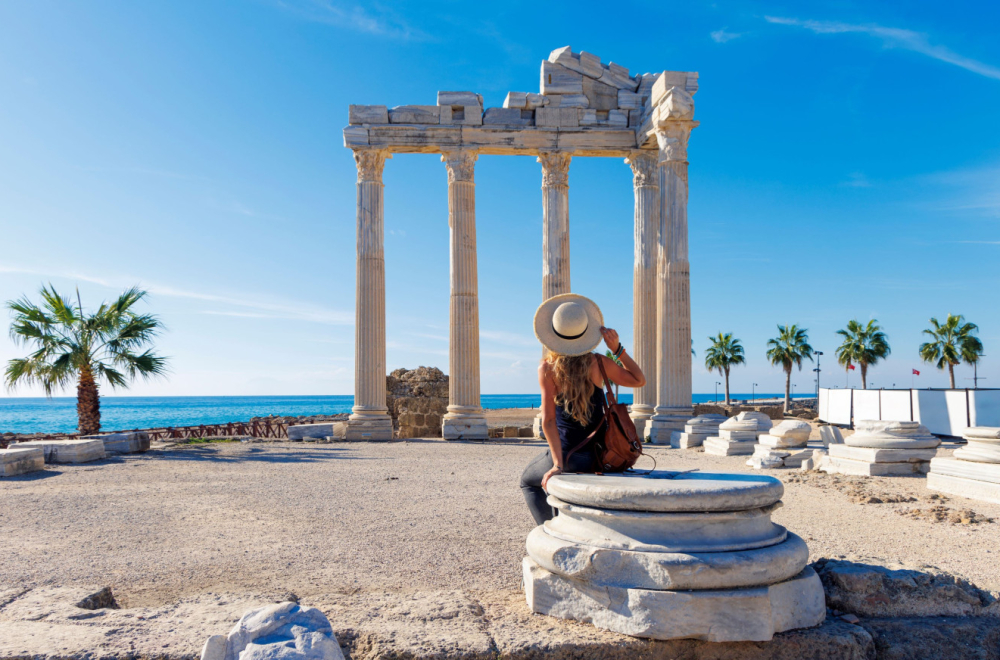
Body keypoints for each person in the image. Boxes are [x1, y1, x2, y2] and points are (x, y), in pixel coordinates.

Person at [519, 293, 646, 525]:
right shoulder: (599, 362)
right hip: (599, 455)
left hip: (568, 455)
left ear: (554, 334)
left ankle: (549, 530)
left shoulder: (547, 369)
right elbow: (639, 380)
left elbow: (548, 422)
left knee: (528, 482)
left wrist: (558, 464)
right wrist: (617, 349)